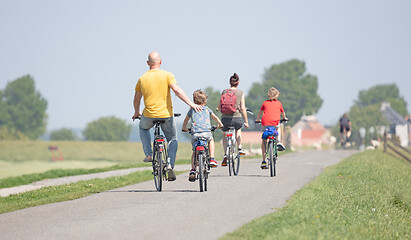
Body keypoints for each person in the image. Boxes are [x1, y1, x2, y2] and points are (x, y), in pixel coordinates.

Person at [132, 52, 202, 181]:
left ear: (148, 63)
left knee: (143, 128)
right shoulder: (167, 75)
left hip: (148, 115)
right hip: (166, 115)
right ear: (161, 62)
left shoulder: (142, 79)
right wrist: (190, 103)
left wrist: (137, 112)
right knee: (172, 139)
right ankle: (170, 164)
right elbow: (177, 90)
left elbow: (137, 98)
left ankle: (148, 154)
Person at [182, 90, 224, 182]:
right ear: (205, 101)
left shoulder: (192, 110)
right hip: (206, 132)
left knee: (194, 151)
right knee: (211, 140)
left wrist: (184, 128)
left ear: (194, 101)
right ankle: (212, 158)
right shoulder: (207, 109)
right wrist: (220, 125)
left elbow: (186, 120)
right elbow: (215, 118)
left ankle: (193, 170)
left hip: (195, 134)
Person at [217, 73, 249, 166]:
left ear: (229, 82)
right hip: (236, 118)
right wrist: (246, 122)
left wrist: (218, 109)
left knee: (225, 134)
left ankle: (225, 154)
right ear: (238, 83)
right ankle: (239, 147)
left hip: (225, 119)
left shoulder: (224, 91)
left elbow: (219, 106)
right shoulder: (240, 93)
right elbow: (243, 108)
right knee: (238, 129)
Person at [255, 87, 287, 169]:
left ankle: (263, 161)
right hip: (275, 123)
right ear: (276, 95)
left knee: (264, 140)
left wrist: (258, 120)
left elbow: (260, 113)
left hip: (265, 123)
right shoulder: (279, 103)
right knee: (278, 126)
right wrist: (284, 118)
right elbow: (283, 113)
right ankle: (278, 141)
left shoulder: (265, 103)